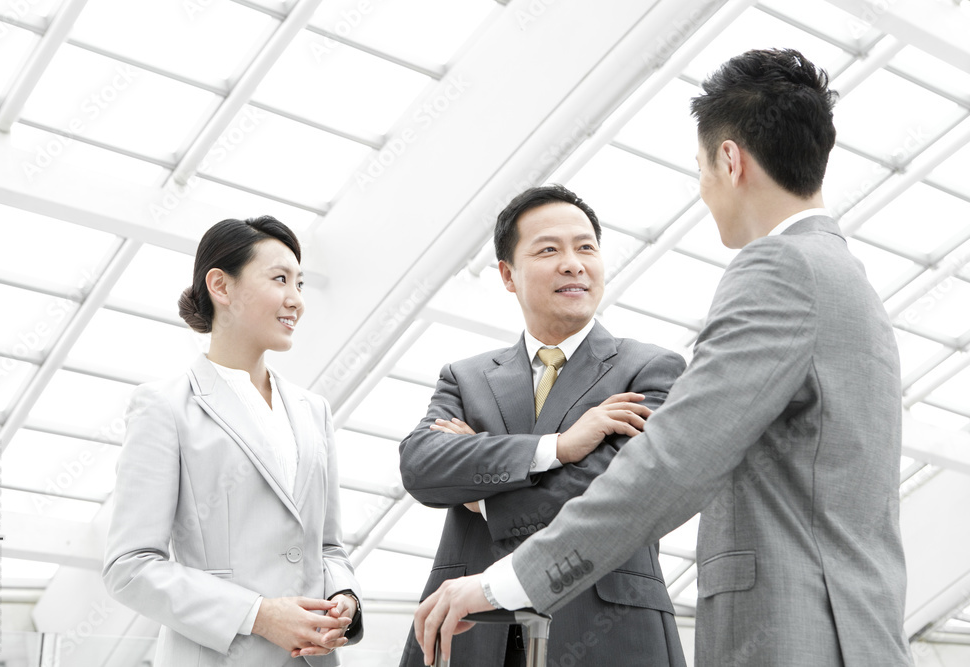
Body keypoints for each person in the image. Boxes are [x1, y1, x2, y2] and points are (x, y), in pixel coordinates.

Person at [414, 49, 914, 666]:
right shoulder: (847, 278)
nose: (704, 190)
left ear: (729, 160)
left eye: (701, 169)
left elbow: (674, 460)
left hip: (793, 635)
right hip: (850, 628)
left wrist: (504, 579)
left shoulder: (777, 270)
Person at [398, 185, 688, 666]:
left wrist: (483, 497)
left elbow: (617, 492)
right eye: (549, 249)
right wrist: (557, 447)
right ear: (508, 275)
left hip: (606, 630)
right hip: (471, 639)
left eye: (586, 247)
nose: (573, 263)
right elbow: (422, 466)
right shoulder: (466, 378)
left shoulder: (651, 370)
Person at [103, 216, 362, 666]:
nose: (296, 300)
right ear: (221, 287)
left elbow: (328, 547)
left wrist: (344, 597)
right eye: (280, 279)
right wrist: (258, 615)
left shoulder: (313, 411)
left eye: (299, 283)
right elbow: (130, 566)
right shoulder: (164, 407)